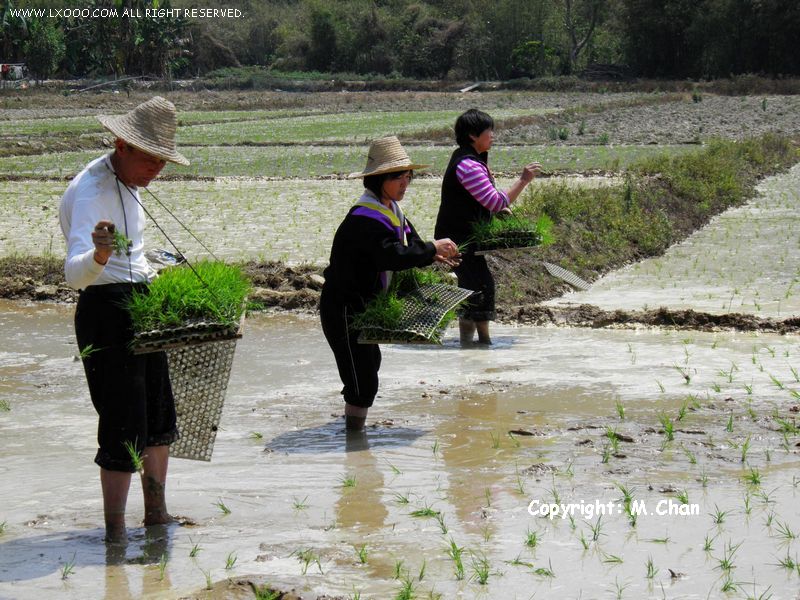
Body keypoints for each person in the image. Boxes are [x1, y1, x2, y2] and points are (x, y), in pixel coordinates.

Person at [59, 96, 190, 543]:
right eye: (149, 159)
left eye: (162, 161)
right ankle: (114, 533)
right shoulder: (93, 191)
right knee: (121, 424)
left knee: (157, 416)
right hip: (106, 311)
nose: (156, 169)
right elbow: (75, 274)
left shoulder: (129, 183)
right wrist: (98, 254)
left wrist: (157, 272)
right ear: (122, 145)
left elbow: (133, 259)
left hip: (139, 301)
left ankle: (157, 514)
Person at [320, 136, 459, 431]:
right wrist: (432, 249)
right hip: (344, 307)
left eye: (408, 177)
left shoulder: (391, 210)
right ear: (380, 179)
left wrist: (432, 253)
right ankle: (354, 444)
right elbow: (392, 256)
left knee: (370, 365)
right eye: (399, 178)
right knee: (362, 380)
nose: (405, 184)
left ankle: (352, 426)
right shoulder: (365, 218)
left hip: (363, 304)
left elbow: (412, 242)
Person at [434, 108, 542, 346]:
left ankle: (473, 343)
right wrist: (523, 180)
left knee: (473, 286)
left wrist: (504, 212)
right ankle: (479, 343)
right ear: (473, 135)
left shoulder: (472, 159)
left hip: (464, 236)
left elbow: (487, 200)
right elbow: (494, 201)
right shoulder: (468, 165)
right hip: (457, 240)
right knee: (479, 285)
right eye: (489, 131)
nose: (493, 135)